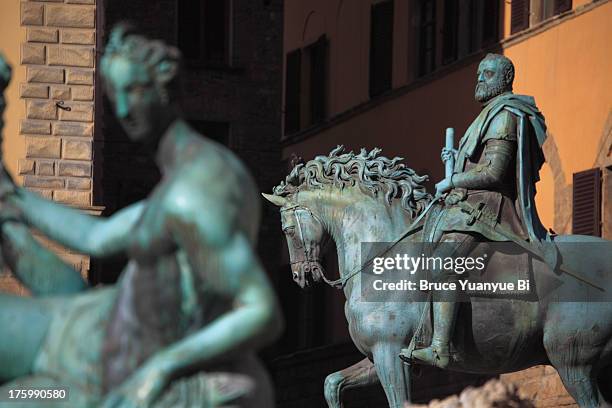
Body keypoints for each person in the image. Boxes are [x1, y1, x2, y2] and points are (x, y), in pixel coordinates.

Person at [0, 24, 282, 407]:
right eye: (115, 93)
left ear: (164, 89)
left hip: (103, 371)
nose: (121, 109)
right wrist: (13, 197)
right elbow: (97, 238)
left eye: (133, 91)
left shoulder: (194, 192)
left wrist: (161, 368)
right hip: (89, 325)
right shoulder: (180, 181)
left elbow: (262, 310)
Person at [400, 53, 551, 368]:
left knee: (442, 262)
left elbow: (494, 173)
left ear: (504, 78)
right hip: (470, 202)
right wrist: (456, 159)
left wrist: (452, 178)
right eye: (479, 72)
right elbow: (480, 163)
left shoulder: (504, 115)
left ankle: (441, 346)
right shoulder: (489, 114)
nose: (479, 78)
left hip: (488, 208)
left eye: (488, 73)